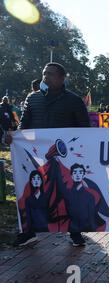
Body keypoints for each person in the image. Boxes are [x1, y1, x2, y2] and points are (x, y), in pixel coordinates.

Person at [7, 62, 91, 247]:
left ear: (62, 78)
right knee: (32, 191)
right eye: (44, 73)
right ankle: (29, 232)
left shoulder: (73, 100)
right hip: (36, 157)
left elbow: (85, 130)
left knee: (66, 194)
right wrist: (15, 138)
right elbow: (24, 127)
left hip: (65, 159)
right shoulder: (32, 98)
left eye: (51, 74)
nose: (46, 77)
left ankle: (74, 231)